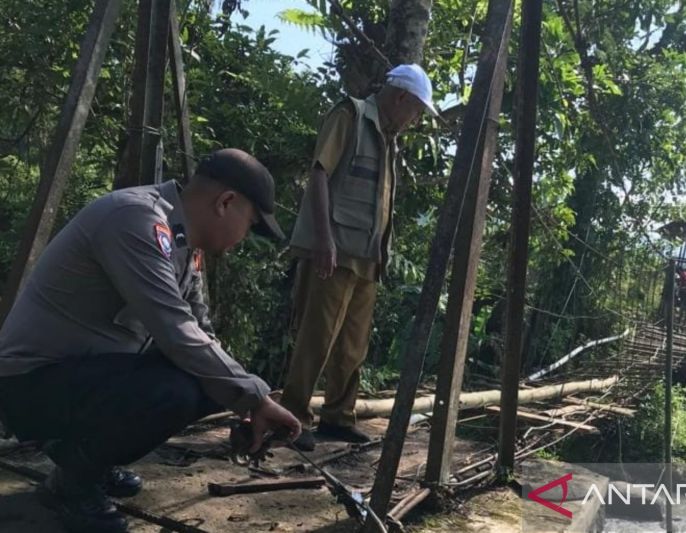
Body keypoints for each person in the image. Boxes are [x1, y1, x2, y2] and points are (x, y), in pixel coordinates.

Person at [0, 149, 302, 533]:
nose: (245, 239)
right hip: (28, 384)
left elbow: (201, 332)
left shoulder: (185, 247)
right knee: (175, 389)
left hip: (83, 376)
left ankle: (84, 458)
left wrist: (246, 402)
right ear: (226, 203)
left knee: (212, 384)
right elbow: (175, 330)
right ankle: (72, 483)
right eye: (252, 224)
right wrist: (257, 398)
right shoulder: (136, 219)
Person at [281, 64, 437, 451]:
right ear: (400, 97)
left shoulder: (388, 138)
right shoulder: (349, 115)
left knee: (353, 343)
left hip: (368, 255)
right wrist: (324, 239)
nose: (415, 120)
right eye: (416, 111)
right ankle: (295, 417)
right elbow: (319, 175)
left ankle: (338, 416)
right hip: (335, 249)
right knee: (317, 335)